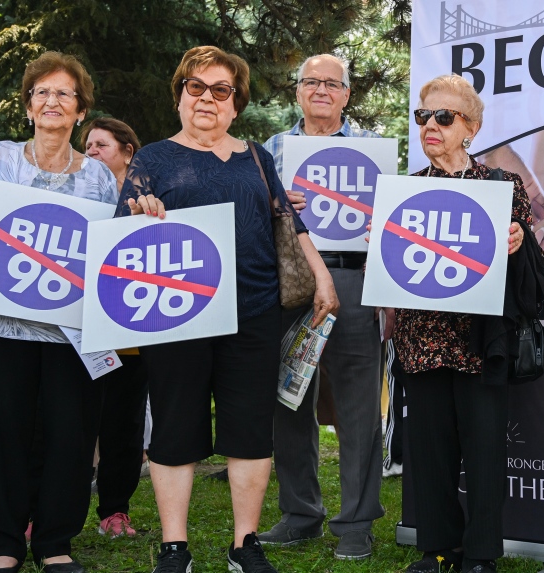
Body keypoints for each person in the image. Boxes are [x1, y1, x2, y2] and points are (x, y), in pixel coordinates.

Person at [117, 45, 338, 573]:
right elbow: (123, 231)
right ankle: (175, 547)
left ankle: (245, 544)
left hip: (254, 312)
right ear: (180, 96)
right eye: (197, 87)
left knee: (249, 430)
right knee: (174, 428)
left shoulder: (257, 157)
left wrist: (323, 277)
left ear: (236, 103)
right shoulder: (151, 159)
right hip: (177, 314)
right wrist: (141, 214)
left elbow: (289, 222)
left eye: (221, 90)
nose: (208, 99)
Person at [0, 51, 118, 573]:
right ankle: (3, 546)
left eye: (64, 93)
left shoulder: (99, 178)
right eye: (41, 92)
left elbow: (110, 258)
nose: (51, 101)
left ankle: (54, 544)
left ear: (80, 110)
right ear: (28, 106)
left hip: (71, 335)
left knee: (70, 436)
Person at [396, 74, 531, 573]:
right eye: (423, 116)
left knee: (485, 451)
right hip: (421, 340)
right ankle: (436, 548)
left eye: (444, 117)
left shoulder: (501, 186)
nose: (430, 125)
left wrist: (519, 242)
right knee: (429, 453)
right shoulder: (404, 192)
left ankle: (480, 555)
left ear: (470, 128)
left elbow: (527, 269)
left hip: (481, 341)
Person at [259, 53, 385, 560]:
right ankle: (300, 513)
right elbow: (251, 220)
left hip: (353, 279)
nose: (321, 91)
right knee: (289, 400)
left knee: (358, 406)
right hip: (290, 284)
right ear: (297, 91)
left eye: (332, 84)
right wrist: (273, 205)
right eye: (311, 82)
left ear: (346, 95)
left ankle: (356, 522)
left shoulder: (373, 152)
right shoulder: (269, 152)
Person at [79, 117, 149, 537]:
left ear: (127, 151)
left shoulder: (149, 200)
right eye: (86, 146)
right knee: (70, 419)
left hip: (128, 329)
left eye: (100, 145)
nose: (90, 152)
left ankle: (114, 510)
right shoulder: (72, 193)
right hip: (76, 329)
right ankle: (46, 511)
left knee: (123, 421)